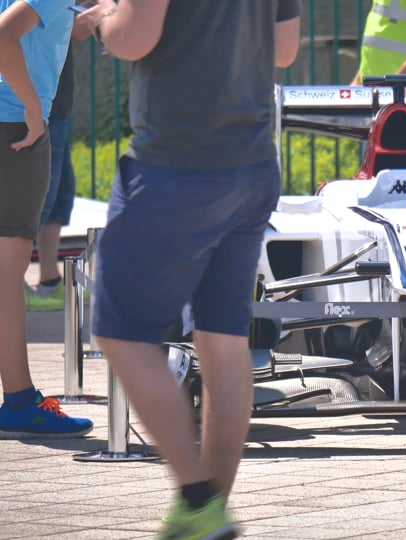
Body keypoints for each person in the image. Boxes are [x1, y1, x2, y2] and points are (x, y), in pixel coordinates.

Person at [77, 0, 301, 537]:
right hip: (250, 164)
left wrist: (103, 18)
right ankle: (210, 513)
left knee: (121, 333)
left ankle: (198, 501)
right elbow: (286, 50)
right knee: (221, 337)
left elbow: (133, 39)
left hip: (175, 165)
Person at [0, 1, 93, 438]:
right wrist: (32, 106)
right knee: (6, 272)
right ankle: (19, 401)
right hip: (14, 128)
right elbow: (3, 34)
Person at [24, 25, 92, 312]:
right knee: (36, 200)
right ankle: (13, 284)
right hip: (39, 103)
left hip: (55, 103)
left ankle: (50, 279)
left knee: (61, 195)